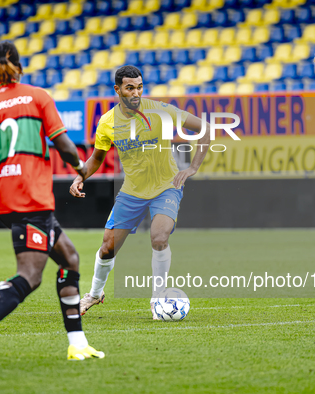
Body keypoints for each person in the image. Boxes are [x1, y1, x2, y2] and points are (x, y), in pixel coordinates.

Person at [0, 41, 104, 367]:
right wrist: (78, 169)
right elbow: (63, 144)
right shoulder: (37, 96)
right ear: (20, 66)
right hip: (33, 199)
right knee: (30, 276)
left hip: (7, 202)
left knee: (70, 258)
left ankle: (77, 342)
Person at [69, 65, 210, 319]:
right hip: (132, 191)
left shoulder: (160, 111)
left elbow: (205, 128)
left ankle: (158, 300)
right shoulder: (107, 123)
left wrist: (192, 168)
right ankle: (94, 294)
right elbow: (97, 158)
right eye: (130, 88)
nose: (136, 93)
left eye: (140, 87)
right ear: (118, 90)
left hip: (167, 186)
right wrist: (80, 176)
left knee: (159, 237)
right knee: (107, 248)